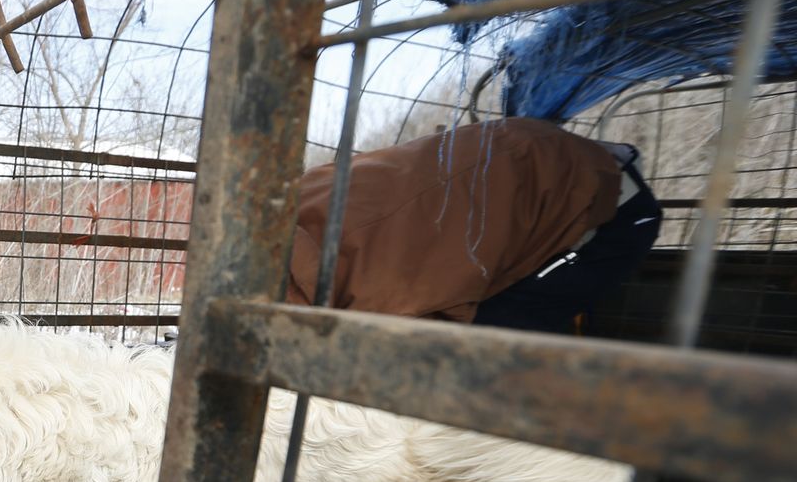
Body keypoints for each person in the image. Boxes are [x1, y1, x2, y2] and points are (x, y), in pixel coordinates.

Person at [284, 117, 662, 334]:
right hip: (523, 155)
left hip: (607, 206)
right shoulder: (284, 203)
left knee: (485, 342)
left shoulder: (379, 294)